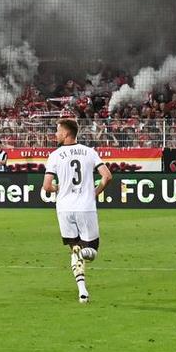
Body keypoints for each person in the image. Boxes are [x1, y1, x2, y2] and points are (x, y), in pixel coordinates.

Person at [41, 117, 110, 303]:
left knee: (75, 249)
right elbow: (107, 176)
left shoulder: (55, 155)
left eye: (57, 131)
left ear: (65, 133)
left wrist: (59, 188)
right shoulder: (89, 152)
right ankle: (81, 260)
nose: (55, 134)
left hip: (64, 209)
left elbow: (47, 186)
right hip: (85, 207)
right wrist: (94, 192)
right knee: (92, 251)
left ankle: (82, 291)